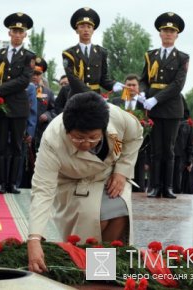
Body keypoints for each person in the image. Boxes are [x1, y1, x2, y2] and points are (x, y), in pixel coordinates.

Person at [27, 92, 143, 273]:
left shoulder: (116, 116)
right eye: (79, 138)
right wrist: (34, 238)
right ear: (67, 130)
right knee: (92, 219)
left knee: (118, 211)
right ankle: (87, 269)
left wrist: (122, 171)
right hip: (73, 182)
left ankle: (105, 270)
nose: (86, 143)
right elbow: (43, 189)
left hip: (107, 175)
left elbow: (135, 136)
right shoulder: (52, 139)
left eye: (93, 137)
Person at [140, 12, 189, 199]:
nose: (168, 34)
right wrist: (144, 93)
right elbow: (144, 79)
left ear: (176, 35)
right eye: (165, 31)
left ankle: (167, 187)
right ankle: (154, 186)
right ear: (160, 34)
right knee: (155, 150)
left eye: (171, 31)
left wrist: (156, 99)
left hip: (171, 108)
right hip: (153, 108)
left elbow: (178, 85)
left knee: (169, 149)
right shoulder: (150, 55)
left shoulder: (182, 57)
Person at [0, 12, 35, 194]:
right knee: (1, 146)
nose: (17, 34)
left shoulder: (29, 56)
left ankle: (13, 182)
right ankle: (1, 182)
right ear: (9, 33)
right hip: (0, 106)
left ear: (25, 35)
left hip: (18, 106)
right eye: (14, 31)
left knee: (16, 145)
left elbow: (23, 81)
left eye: (20, 31)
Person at [62, 7, 124, 98]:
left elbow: (103, 79)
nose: (86, 30)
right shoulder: (69, 54)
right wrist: (92, 94)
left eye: (89, 27)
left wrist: (114, 84)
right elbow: (73, 79)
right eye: (82, 26)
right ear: (76, 30)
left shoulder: (101, 52)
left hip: (97, 98)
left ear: (93, 30)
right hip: (77, 97)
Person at [111, 74, 149, 191]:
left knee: (139, 185)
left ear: (138, 87)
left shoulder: (145, 104)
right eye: (128, 85)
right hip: (118, 147)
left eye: (134, 85)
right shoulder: (115, 102)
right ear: (124, 87)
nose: (131, 87)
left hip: (139, 149)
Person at [32, 57, 56, 152]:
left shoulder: (48, 92)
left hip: (41, 132)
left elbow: (54, 110)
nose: (34, 76)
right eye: (32, 73)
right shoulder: (21, 90)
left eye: (37, 74)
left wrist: (47, 115)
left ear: (41, 75)